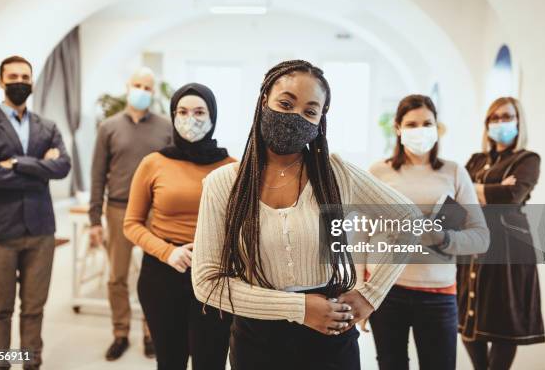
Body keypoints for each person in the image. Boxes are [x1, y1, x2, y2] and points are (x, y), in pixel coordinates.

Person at [191, 60, 424, 370]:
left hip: (331, 336)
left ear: (320, 121)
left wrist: (372, 294)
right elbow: (207, 283)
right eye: (286, 103)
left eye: (310, 111)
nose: (296, 116)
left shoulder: (336, 174)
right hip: (257, 340)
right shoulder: (224, 184)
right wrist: (298, 308)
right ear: (264, 101)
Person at [366, 95, 489, 370]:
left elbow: (481, 236)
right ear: (398, 128)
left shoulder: (454, 173)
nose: (419, 130)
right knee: (391, 364)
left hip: (438, 294)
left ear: (436, 127)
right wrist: (360, 290)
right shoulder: (378, 172)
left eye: (426, 123)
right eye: (411, 124)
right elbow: (361, 234)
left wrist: (443, 238)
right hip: (386, 291)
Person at [0, 55, 71, 369]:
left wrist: (16, 162)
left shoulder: (47, 126)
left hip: (40, 231)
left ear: (32, 82)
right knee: (0, 309)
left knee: (34, 308)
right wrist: (41, 168)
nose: (19, 83)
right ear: (1, 82)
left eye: (24, 77)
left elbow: (63, 166)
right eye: (12, 77)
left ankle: (31, 363)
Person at [124, 83, 236, 370]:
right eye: (182, 111)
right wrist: (167, 252)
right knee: (170, 361)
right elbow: (131, 224)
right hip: (162, 275)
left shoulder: (232, 167)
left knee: (210, 361)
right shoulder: (154, 163)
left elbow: (243, 228)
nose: (191, 118)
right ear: (173, 116)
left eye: (200, 111)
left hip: (214, 275)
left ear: (213, 117)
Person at [88, 67, 173, 360]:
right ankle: (120, 333)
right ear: (127, 86)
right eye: (137, 85)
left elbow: (174, 170)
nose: (142, 91)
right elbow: (98, 174)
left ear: (153, 91)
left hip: (156, 211)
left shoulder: (166, 127)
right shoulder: (108, 127)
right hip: (118, 209)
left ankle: (151, 332)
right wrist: (93, 218)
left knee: (155, 277)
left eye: (148, 87)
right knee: (117, 276)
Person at [458, 97, 545, 370]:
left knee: (504, 316)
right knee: (468, 315)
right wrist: (489, 190)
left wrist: (475, 190)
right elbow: (455, 196)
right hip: (471, 244)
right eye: (494, 118)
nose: (500, 123)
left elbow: (512, 195)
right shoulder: (476, 159)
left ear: (519, 120)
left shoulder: (527, 159)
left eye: (507, 117)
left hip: (508, 247)